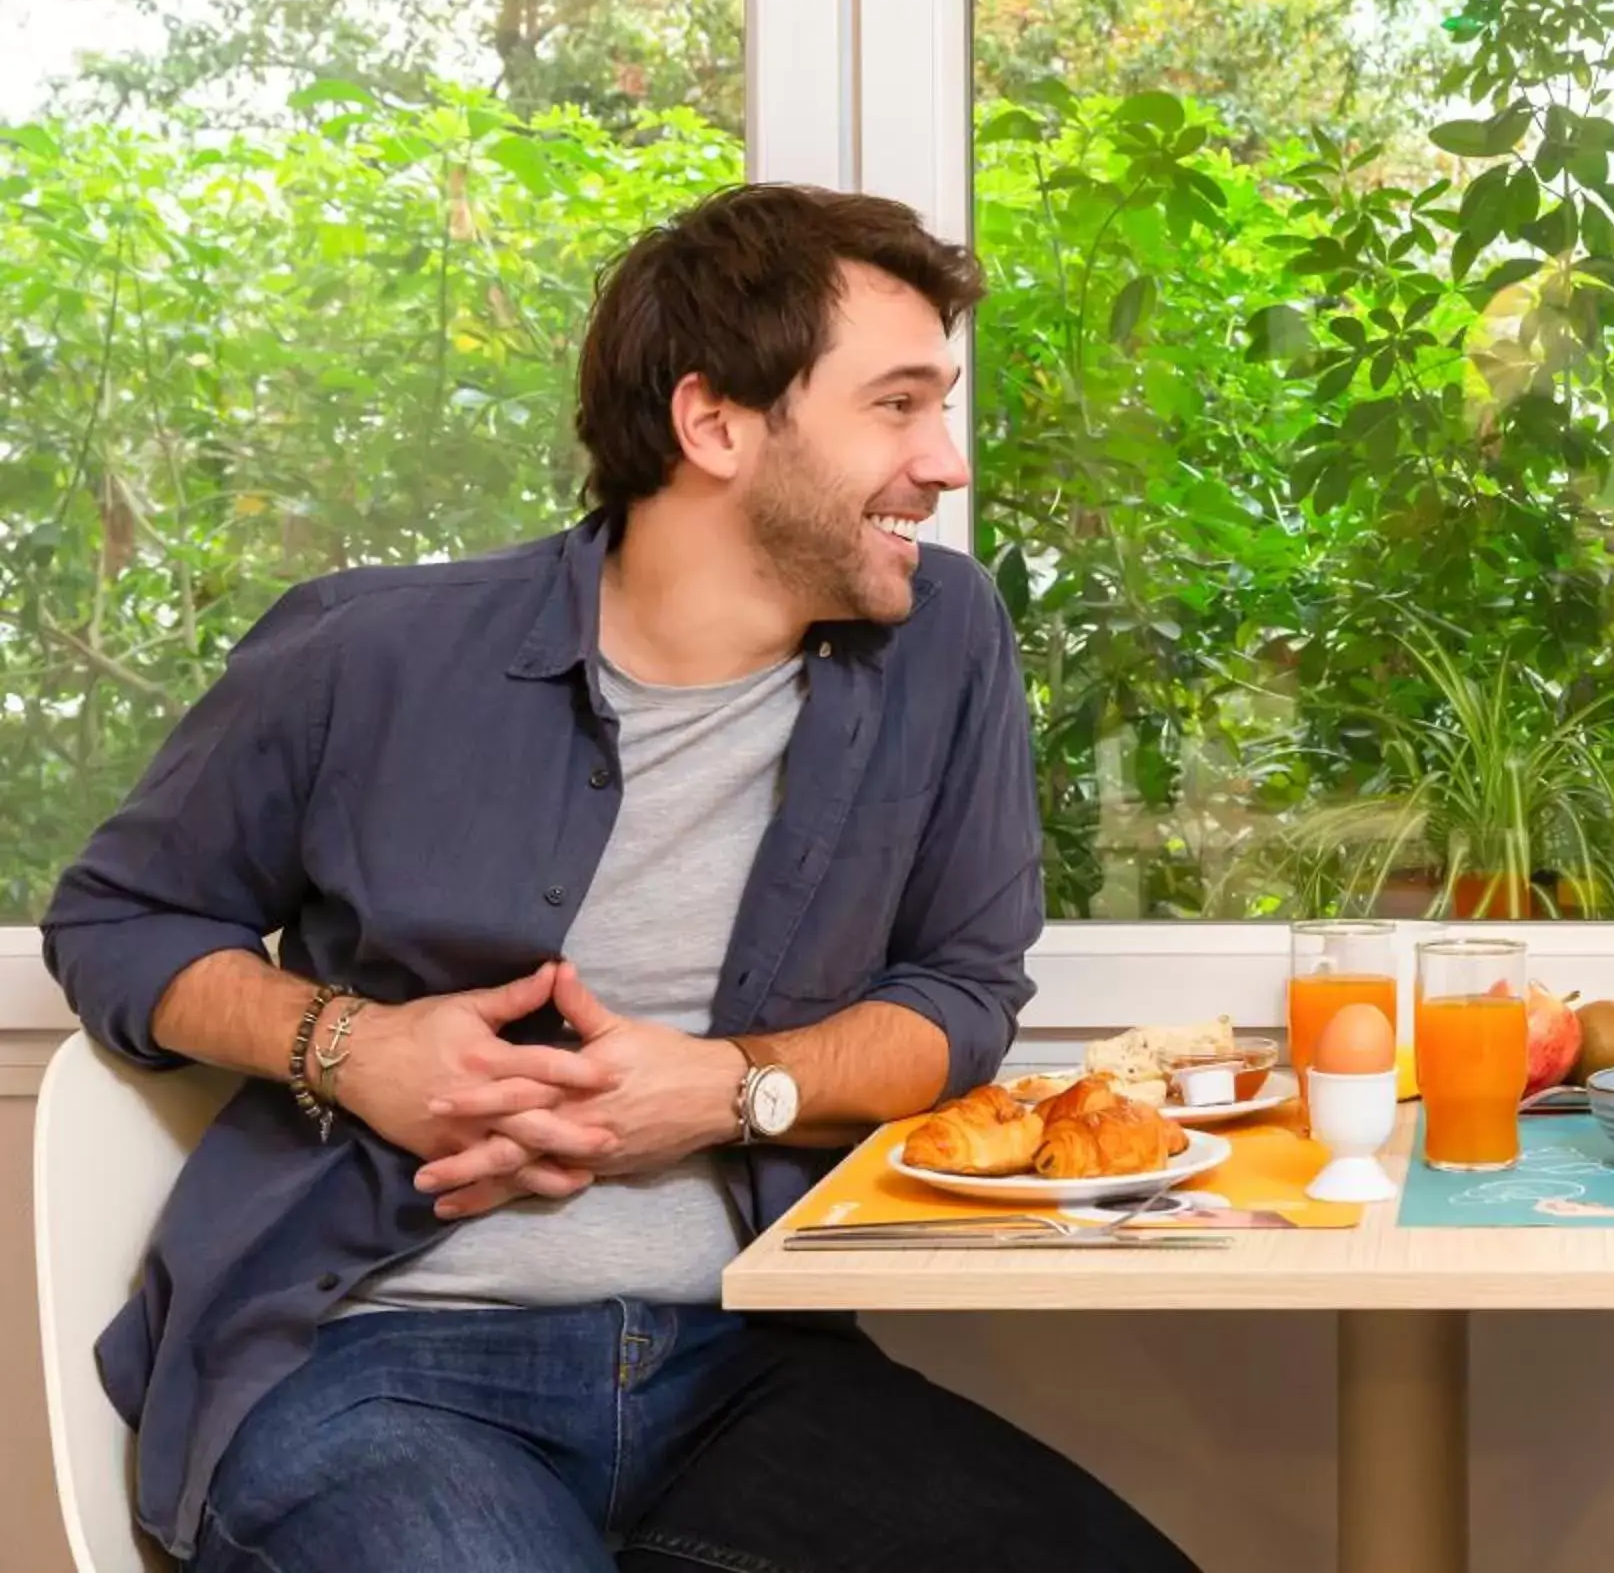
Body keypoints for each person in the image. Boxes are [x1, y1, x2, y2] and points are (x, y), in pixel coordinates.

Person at [44, 184, 1197, 1572]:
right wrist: (348, 1044)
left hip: (745, 1370)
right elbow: (116, 918)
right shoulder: (370, 655)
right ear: (714, 423)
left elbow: (957, 991)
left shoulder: (941, 645)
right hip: (381, 1363)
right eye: (896, 407)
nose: (943, 463)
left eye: (938, 406)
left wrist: (730, 1087)